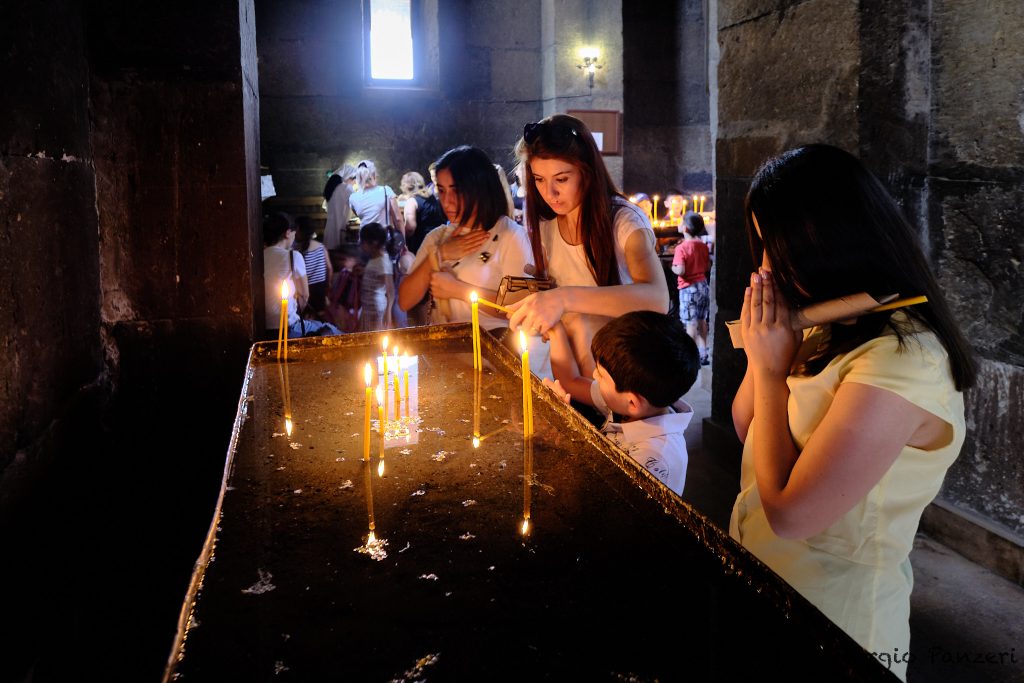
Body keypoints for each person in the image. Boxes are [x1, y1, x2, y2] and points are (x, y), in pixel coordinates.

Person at [729, 144, 976, 681]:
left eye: (777, 246)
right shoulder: (830, 320)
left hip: (835, 613)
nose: (766, 266)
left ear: (828, 240)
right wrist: (765, 350)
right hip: (764, 577)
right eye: (763, 245)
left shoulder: (904, 360)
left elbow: (793, 515)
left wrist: (772, 371)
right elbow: (749, 427)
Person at [508, 114, 669, 379]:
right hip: (568, 367)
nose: (549, 193)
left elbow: (657, 298)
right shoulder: (547, 227)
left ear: (587, 172)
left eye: (561, 179)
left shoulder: (624, 222)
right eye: (539, 179)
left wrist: (564, 297)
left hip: (620, 372)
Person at [542, 311, 700, 495]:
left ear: (633, 403)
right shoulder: (638, 402)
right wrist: (555, 330)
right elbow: (571, 381)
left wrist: (564, 430)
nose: (594, 376)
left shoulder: (652, 460)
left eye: (600, 375)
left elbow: (594, 497)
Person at [398, 145, 533, 338]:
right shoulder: (438, 237)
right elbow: (405, 300)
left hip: (492, 357)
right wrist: (438, 255)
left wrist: (458, 289)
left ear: (479, 188)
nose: (447, 201)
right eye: (442, 191)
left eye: (456, 191)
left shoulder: (510, 235)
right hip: (446, 353)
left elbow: (518, 308)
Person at [263, 212, 341, 339]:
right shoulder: (292, 256)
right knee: (336, 333)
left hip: (264, 328)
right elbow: (304, 294)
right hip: (288, 327)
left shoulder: (258, 258)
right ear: (288, 233)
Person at [672, 211, 711, 365]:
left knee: (690, 323)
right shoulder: (702, 245)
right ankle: (703, 354)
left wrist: (672, 267)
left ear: (685, 228)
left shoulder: (681, 248)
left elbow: (681, 270)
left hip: (688, 289)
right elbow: (707, 266)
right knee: (702, 321)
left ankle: (691, 357)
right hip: (703, 286)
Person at [293, 215, 333, 320]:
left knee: (306, 319)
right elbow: (329, 268)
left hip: (305, 289)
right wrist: (328, 286)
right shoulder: (321, 247)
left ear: (299, 230)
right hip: (320, 289)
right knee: (321, 318)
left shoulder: (297, 251)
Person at [357, 222, 394, 332]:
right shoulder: (375, 258)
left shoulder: (383, 262)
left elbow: (390, 291)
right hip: (369, 308)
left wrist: (388, 313)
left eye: (363, 242)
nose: (361, 245)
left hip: (377, 311)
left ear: (374, 243)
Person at [401, 167, 446, 255]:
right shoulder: (432, 198)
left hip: (422, 245)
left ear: (406, 187)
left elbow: (410, 228)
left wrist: (404, 238)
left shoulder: (412, 202)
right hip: (439, 241)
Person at [323, 164, 357, 251]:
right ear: (348, 177)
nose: (355, 182)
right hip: (339, 229)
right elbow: (358, 207)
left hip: (329, 229)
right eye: (354, 179)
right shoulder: (346, 188)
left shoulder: (333, 188)